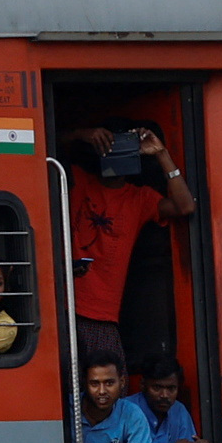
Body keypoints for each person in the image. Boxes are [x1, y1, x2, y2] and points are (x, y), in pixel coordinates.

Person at [57, 115, 193, 372]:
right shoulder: (76, 179)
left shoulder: (139, 198)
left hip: (103, 314)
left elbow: (184, 206)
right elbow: (38, 147)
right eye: (109, 143)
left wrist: (160, 152)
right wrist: (83, 133)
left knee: (109, 389)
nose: (115, 151)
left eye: (122, 144)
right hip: (63, 307)